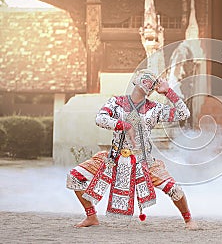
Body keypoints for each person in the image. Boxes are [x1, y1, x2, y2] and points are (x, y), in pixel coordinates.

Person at [66, 69, 197, 230]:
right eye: (145, 78)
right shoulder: (116, 102)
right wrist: (124, 125)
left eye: (152, 82)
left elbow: (183, 114)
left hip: (143, 161)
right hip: (113, 158)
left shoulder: (154, 109)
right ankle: (91, 216)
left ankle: (188, 219)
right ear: (136, 80)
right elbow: (100, 118)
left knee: (174, 189)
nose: (148, 82)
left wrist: (168, 92)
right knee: (74, 177)